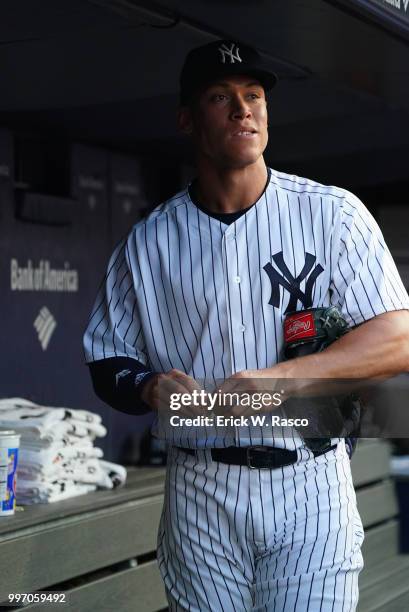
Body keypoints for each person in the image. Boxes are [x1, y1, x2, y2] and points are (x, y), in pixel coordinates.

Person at [83, 39, 409, 611]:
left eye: (254, 95)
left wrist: (286, 379)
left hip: (310, 478)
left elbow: (400, 336)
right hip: (200, 484)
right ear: (187, 119)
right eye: (220, 96)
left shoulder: (330, 213)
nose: (243, 109)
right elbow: (109, 358)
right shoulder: (149, 241)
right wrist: (148, 386)